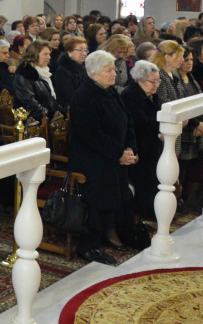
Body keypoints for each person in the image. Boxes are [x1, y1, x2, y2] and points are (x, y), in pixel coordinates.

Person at [69, 51, 137, 265]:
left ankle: (106, 236)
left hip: (112, 156)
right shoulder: (84, 97)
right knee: (97, 201)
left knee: (117, 195)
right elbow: (92, 135)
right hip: (92, 160)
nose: (115, 73)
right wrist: (119, 153)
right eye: (109, 70)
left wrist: (129, 148)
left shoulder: (110, 91)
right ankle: (88, 246)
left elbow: (127, 119)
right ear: (94, 74)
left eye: (113, 69)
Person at [121, 61, 162, 224]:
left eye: (158, 81)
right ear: (140, 79)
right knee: (143, 182)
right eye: (153, 82)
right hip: (139, 144)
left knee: (153, 179)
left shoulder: (151, 94)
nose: (156, 85)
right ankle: (141, 216)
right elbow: (139, 122)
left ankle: (151, 212)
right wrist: (162, 126)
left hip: (152, 143)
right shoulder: (130, 95)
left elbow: (158, 114)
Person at [13, 40, 58, 119]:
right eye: (45, 54)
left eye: (49, 54)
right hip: (33, 120)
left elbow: (51, 100)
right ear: (34, 55)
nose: (49, 57)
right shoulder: (24, 75)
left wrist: (60, 112)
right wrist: (50, 116)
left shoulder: (45, 72)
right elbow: (29, 104)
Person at [52, 35, 88, 109]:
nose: (84, 53)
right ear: (69, 51)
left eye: (85, 50)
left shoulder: (83, 68)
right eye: (80, 50)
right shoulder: (63, 71)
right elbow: (70, 97)